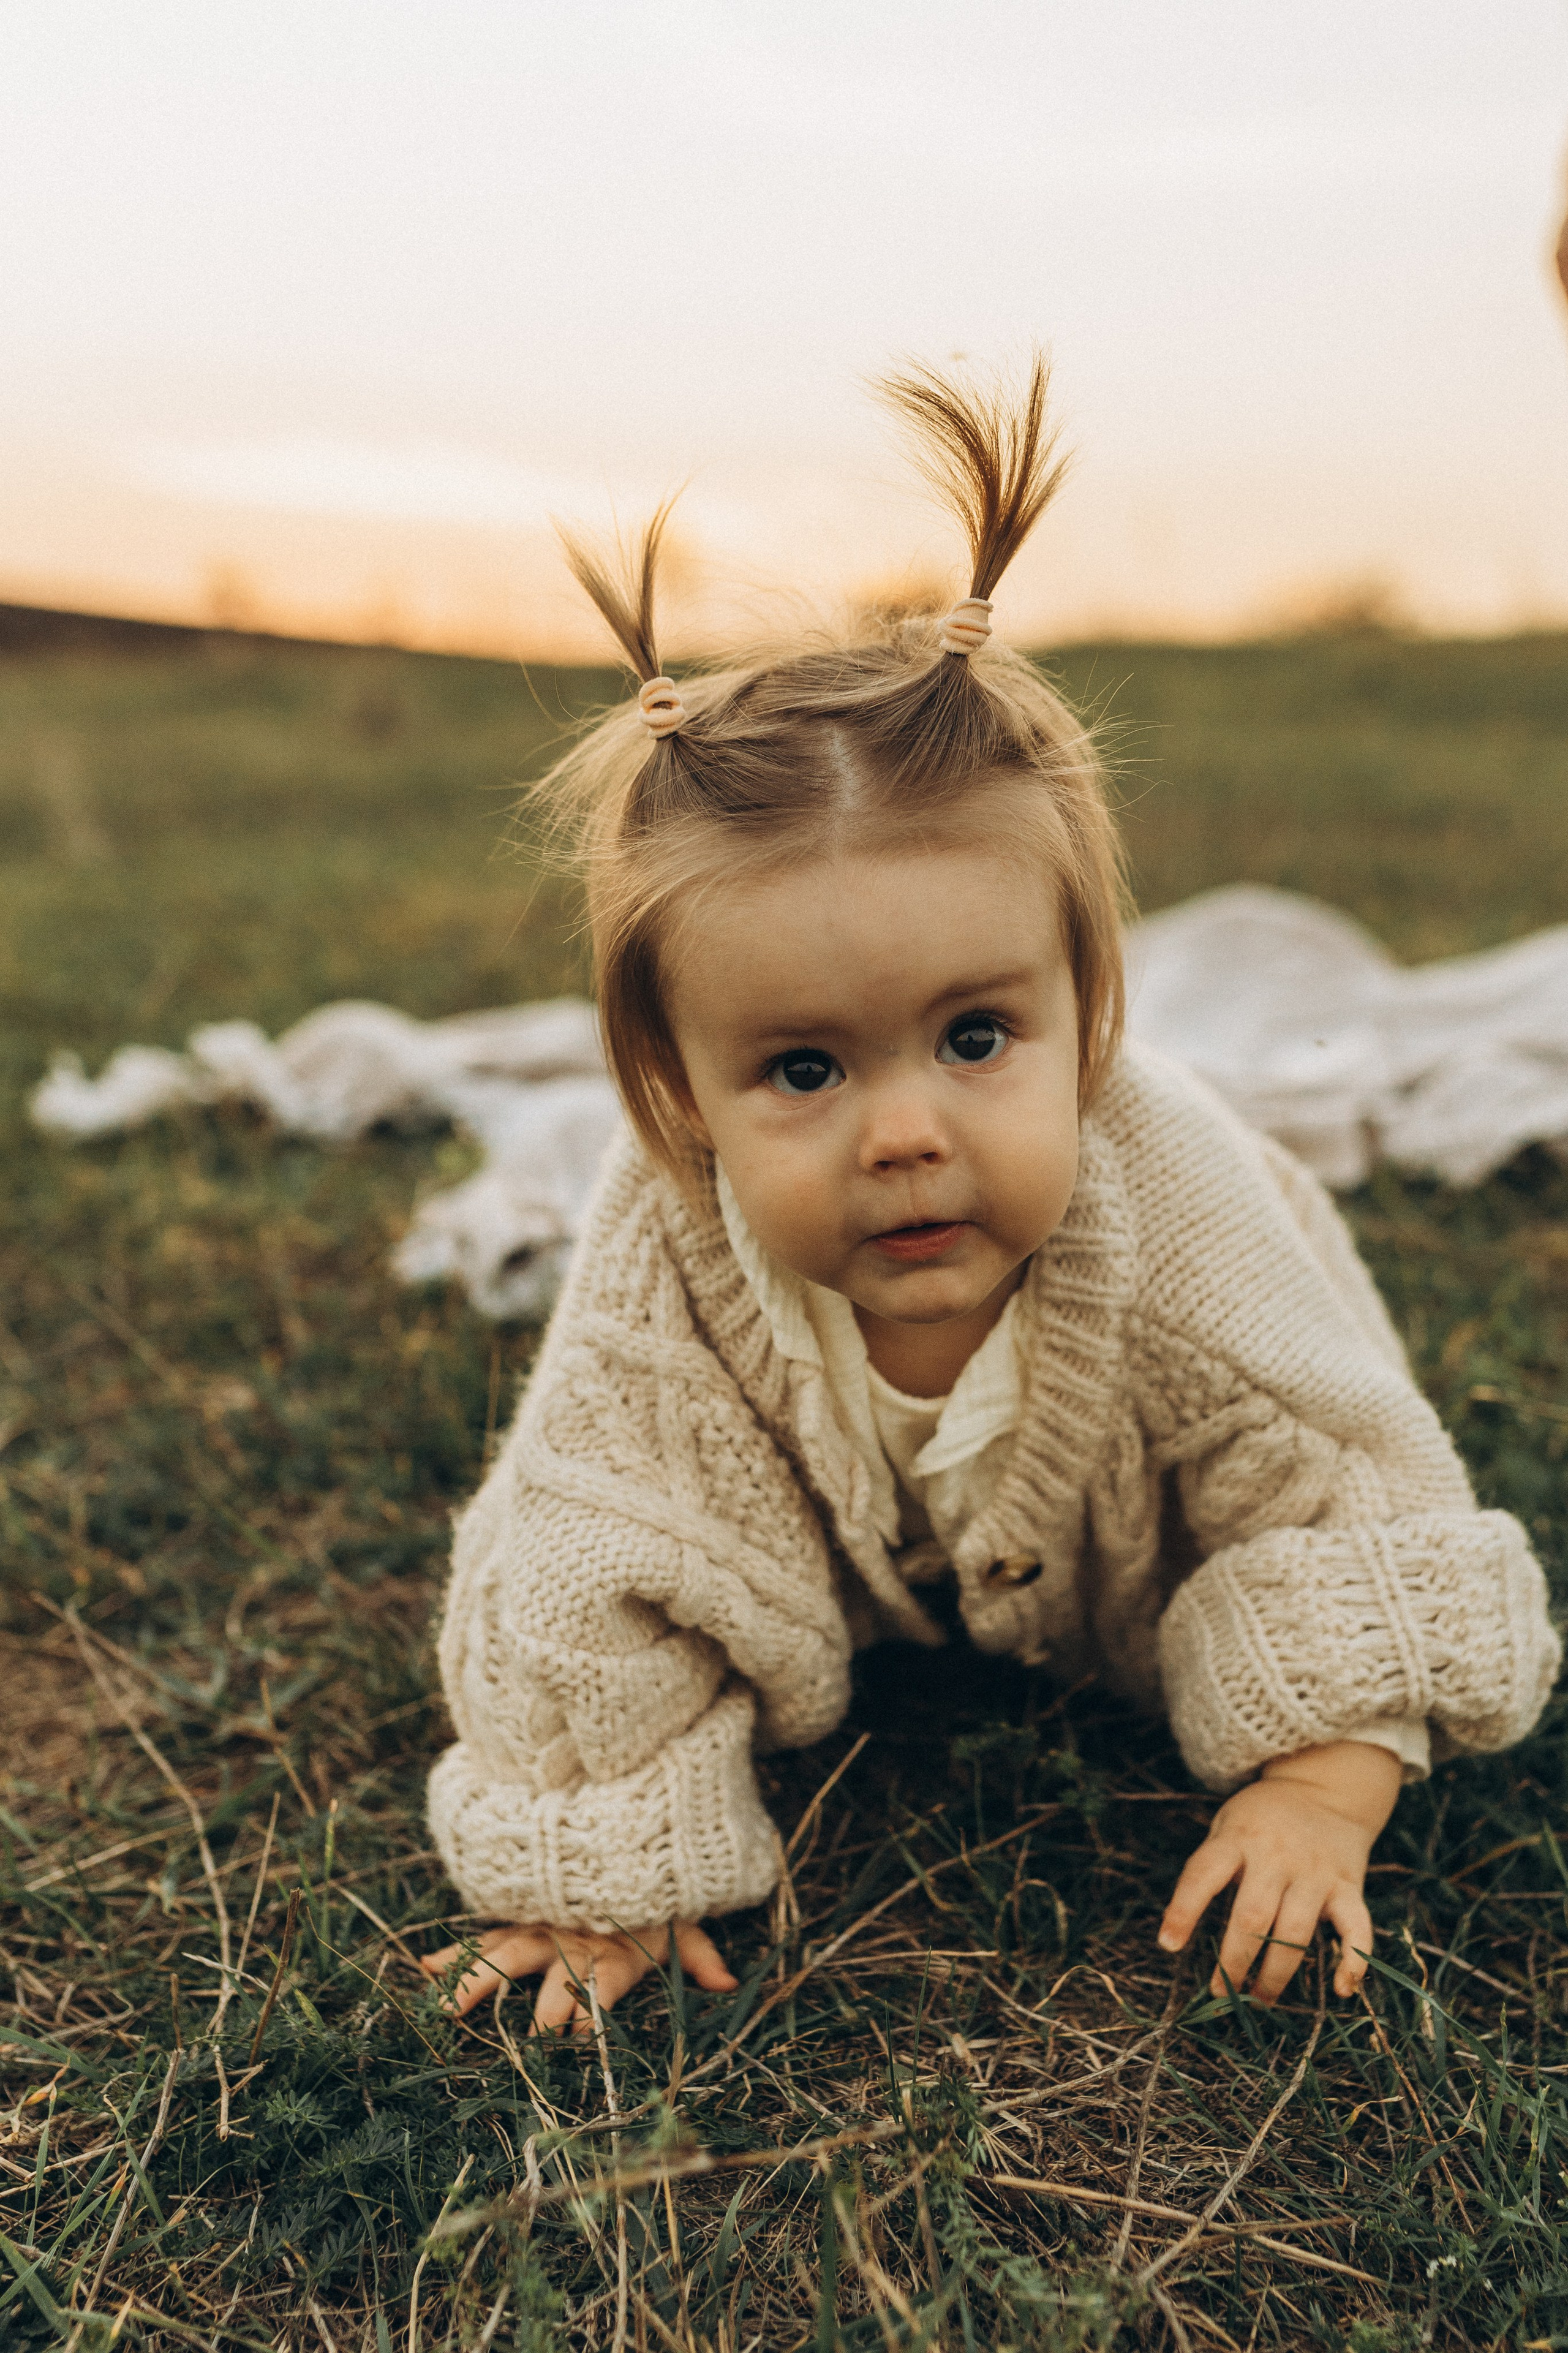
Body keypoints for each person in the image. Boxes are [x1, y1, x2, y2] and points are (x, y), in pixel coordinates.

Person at [420, 358, 1558, 2033]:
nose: (904, 1133)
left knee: (1303, 1475)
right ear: (676, 1097)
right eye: (803, 1067)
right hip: (854, 1569)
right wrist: (599, 1864)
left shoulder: (1182, 1225)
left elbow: (1339, 1488)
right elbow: (586, 1543)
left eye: (974, 1038)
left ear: (1087, 1017)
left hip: (1136, 1563)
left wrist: (1324, 1784)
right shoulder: (666, 1250)